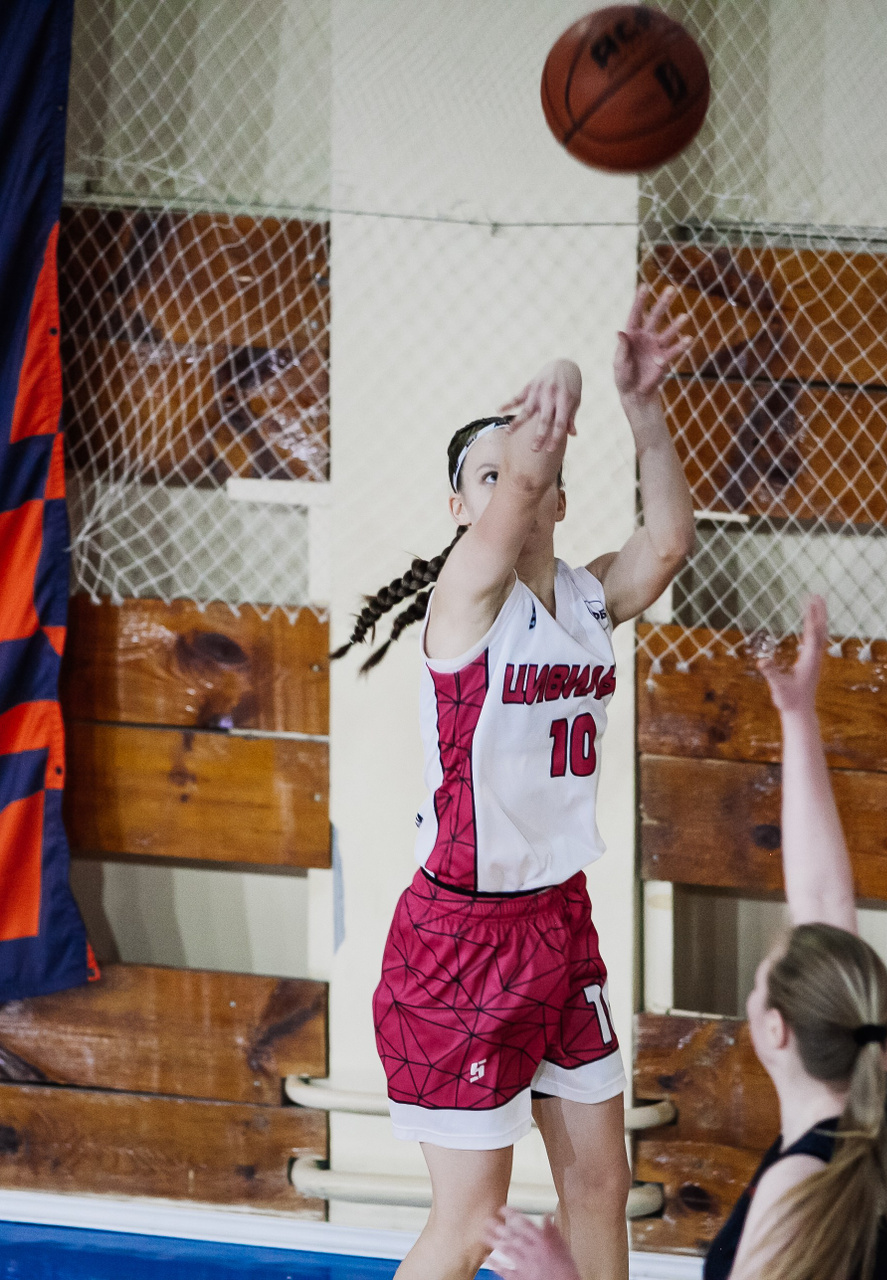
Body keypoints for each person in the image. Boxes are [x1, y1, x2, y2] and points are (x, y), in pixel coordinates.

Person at [331, 287, 694, 1280]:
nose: (516, 486)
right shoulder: (464, 600)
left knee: (600, 1184)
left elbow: (668, 541)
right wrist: (565, 379)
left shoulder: (586, 598)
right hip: (459, 941)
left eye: (531, 475)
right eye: (486, 478)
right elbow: (525, 474)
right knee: (473, 1221)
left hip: (557, 920)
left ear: (564, 502)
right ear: (460, 510)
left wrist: (642, 407)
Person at [483, 596, 887, 1280]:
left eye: (760, 981)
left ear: (776, 1030)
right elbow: (823, 901)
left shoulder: (795, 1195)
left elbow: (825, 909)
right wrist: (798, 717)